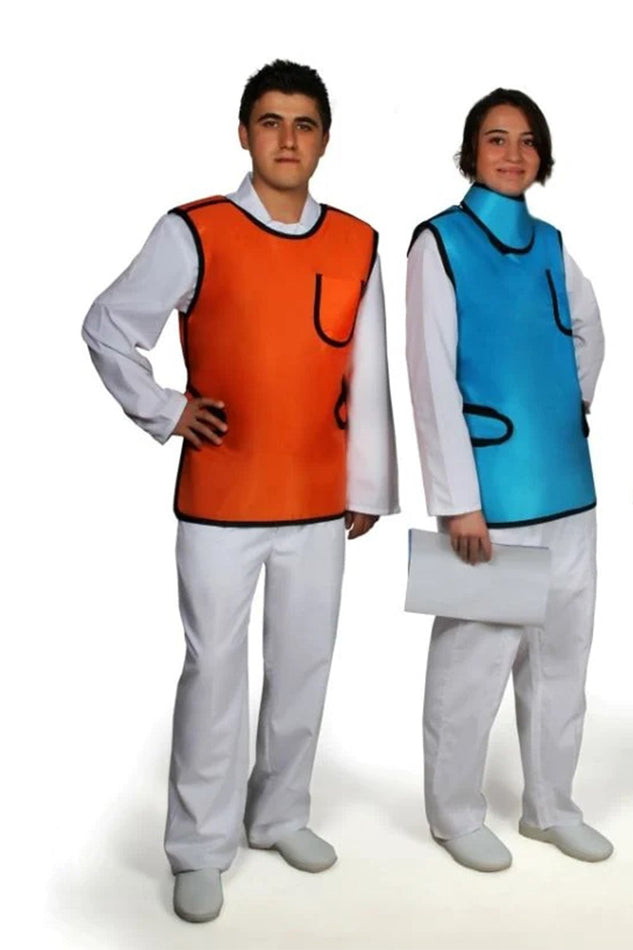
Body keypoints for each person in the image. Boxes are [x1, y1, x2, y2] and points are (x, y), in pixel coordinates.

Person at [82, 60, 398, 923]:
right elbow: (108, 326)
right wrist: (165, 409)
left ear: (324, 140)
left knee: (305, 663)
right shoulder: (196, 230)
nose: (287, 139)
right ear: (244, 134)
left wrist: (368, 483)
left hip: (319, 500)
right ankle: (197, 846)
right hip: (222, 500)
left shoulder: (357, 241)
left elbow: (367, 369)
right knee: (215, 670)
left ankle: (280, 813)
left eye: (304, 124)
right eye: (270, 122)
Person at [406, 88, 611, 873]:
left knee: (563, 660)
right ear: (471, 152)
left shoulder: (552, 244)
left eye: (527, 141)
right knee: (472, 665)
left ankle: (551, 806)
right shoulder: (441, 243)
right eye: (496, 139)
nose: (513, 154)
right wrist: (458, 501)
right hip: (491, 501)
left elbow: (589, 330)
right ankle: (455, 814)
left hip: (569, 491)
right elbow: (430, 377)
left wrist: (570, 403)